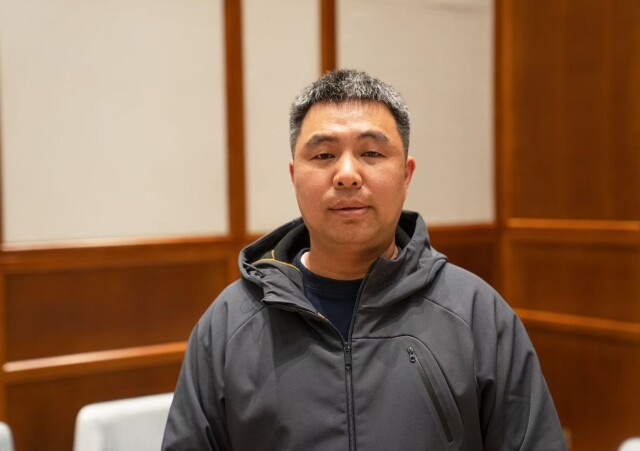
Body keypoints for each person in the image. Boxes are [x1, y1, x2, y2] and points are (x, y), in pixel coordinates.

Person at [162, 69, 566, 450]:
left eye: (371, 152)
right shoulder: (228, 326)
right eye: (324, 155)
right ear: (294, 176)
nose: (347, 174)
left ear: (406, 175)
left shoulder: (477, 315)